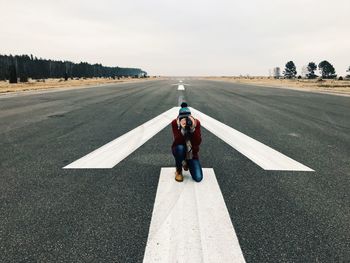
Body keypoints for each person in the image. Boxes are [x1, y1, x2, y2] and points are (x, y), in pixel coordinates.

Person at [171, 102, 203, 182]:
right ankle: (178, 170)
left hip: (192, 154)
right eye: (183, 118)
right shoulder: (175, 123)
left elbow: (198, 142)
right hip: (179, 149)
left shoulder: (196, 123)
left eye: (187, 118)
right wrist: (181, 128)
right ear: (179, 117)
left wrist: (193, 129)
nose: (185, 121)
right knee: (180, 148)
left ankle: (187, 162)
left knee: (198, 178)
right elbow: (177, 141)